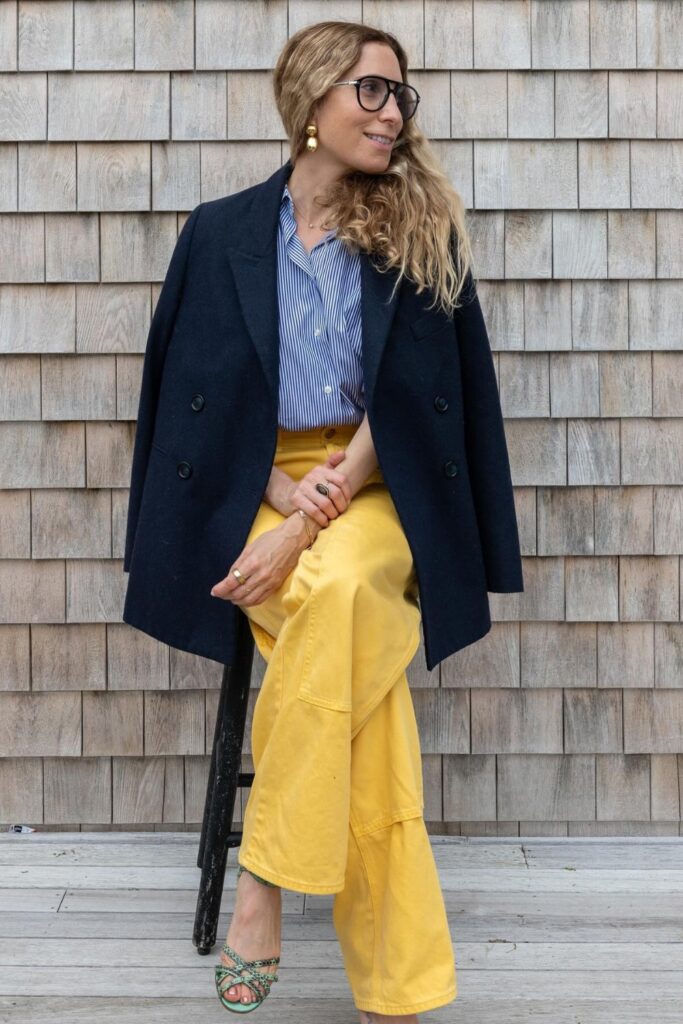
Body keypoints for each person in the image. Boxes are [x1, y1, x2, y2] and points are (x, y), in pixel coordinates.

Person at [122, 18, 523, 1024]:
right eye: (373, 92)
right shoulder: (218, 232)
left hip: (374, 486)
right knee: (360, 682)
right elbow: (187, 390)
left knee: (338, 584)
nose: (393, 116)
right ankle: (399, 986)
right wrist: (263, 491)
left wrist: (302, 522)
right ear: (311, 100)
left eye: (400, 98)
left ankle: (263, 879)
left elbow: (415, 398)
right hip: (252, 482)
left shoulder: (416, 228)